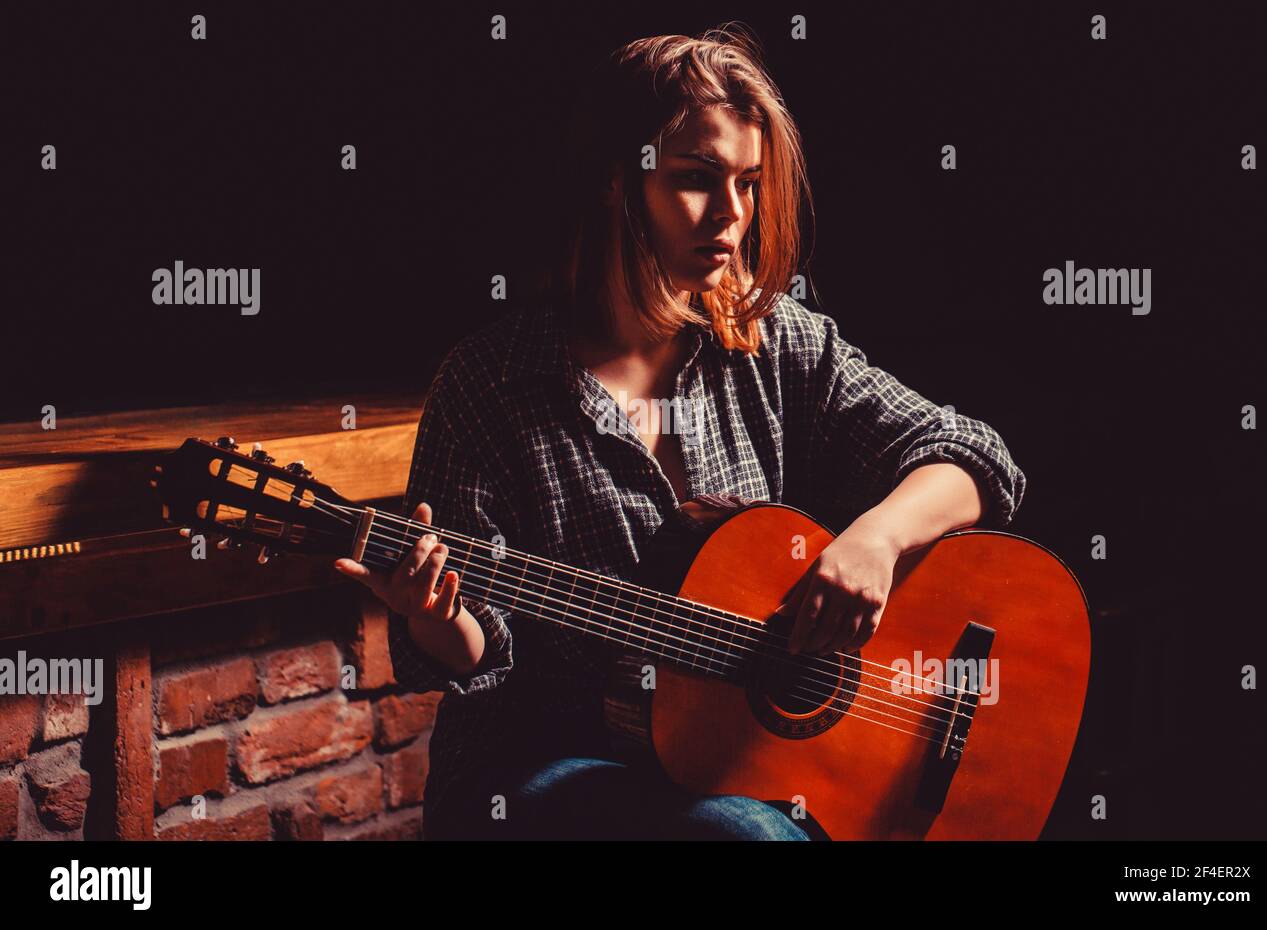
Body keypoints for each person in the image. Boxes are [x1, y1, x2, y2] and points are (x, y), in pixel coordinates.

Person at [334, 25, 1026, 840]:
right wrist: (433, 611)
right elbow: (476, 652)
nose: (732, 216)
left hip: (729, 753)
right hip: (542, 765)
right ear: (617, 181)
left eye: (749, 182)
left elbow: (976, 459)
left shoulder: (774, 342)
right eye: (698, 180)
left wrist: (876, 538)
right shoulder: (491, 383)